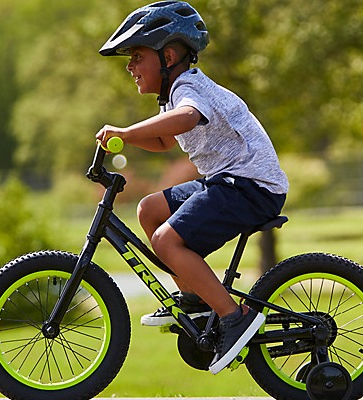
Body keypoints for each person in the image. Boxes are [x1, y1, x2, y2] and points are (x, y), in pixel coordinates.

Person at [95, 1, 288, 374]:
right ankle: (196, 301)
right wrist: (129, 141)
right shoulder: (173, 94)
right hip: (226, 181)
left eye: (136, 56)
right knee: (149, 210)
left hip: (251, 185)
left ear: (168, 55)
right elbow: (167, 139)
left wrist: (126, 131)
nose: (129, 66)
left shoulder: (189, 87)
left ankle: (236, 317)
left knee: (167, 241)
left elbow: (186, 118)